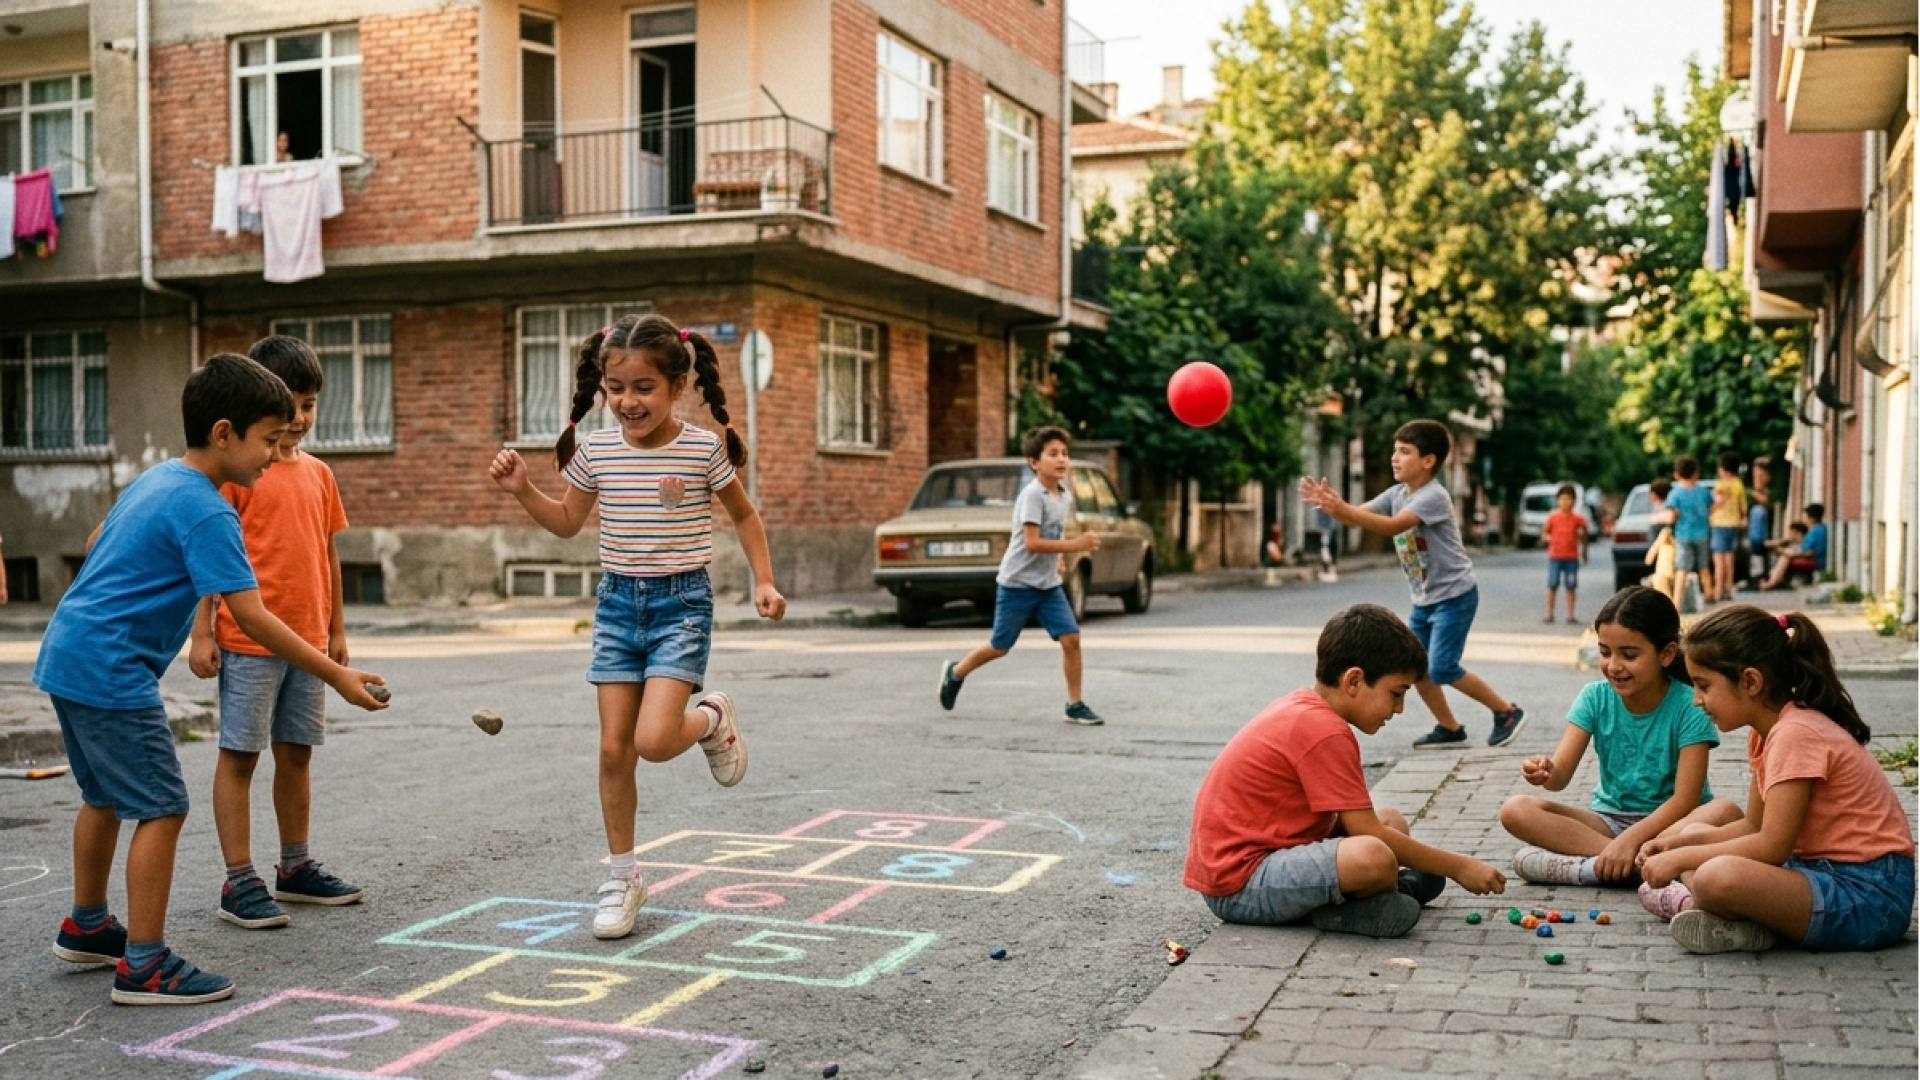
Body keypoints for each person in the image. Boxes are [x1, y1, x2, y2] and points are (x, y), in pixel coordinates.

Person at [36, 354, 387, 1005]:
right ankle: (144, 965)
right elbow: (252, 616)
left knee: (105, 796)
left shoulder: (160, 480)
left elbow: (98, 537)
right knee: (162, 805)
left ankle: (88, 926)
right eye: (268, 440)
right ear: (224, 433)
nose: (275, 453)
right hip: (112, 669)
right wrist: (337, 673)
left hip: (69, 655)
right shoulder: (210, 510)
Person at [489, 314, 785, 942]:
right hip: (618, 605)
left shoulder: (703, 448)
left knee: (654, 741)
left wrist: (763, 580)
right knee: (612, 748)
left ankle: (711, 718)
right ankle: (623, 876)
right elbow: (568, 522)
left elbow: (746, 516)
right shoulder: (596, 450)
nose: (628, 401)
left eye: (644, 387)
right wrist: (522, 490)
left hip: (681, 604)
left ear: (677, 385)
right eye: (616, 387)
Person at [1183, 604, 1507, 938]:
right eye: (1396, 694)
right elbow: (1371, 836)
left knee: (1392, 820)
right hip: (1239, 886)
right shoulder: (1323, 729)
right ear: (1353, 680)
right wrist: (1460, 867)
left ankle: (1385, 892)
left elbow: (1372, 826)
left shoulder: (1309, 709)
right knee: (1375, 856)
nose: (1399, 709)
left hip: (1271, 858)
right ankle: (1341, 909)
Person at [187, 337, 360, 932]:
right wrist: (202, 632)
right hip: (248, 641)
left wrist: (336, 634)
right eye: (292, 404)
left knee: (296, 755)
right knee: (240, 756)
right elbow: (210, 560)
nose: (301, 418)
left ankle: (295, 866)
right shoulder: (239, 474)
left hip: (308, 644)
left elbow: (329, 554)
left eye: (310, 404)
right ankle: (239, 879)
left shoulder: (319, 474)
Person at [1634, 606, 1915, 954]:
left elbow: (1772, 846)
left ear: (1751, 682)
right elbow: (1753, 826)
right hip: (1816, 872)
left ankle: (1699, 907)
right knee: (1690, 837)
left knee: (1713, 876)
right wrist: (1676, 847)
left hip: (1870, 895)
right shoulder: (1767, 733)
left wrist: (1679, 861)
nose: (1696, 700)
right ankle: (1747, 922)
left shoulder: (1795, 734)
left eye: (1704, 686)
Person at [1299, 420, 1526, 748]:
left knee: (1443, 667)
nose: (1395, 457)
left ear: (1428, 461)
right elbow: (1360, 516)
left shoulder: (1432, 496)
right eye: (1395, 450)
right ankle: (1449, 727)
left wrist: (1343, 509)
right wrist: (1334, 508)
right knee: (1415, 666)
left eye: (1404, 452)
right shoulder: (1397, 494)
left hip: (1455, 596)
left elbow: (1392, 526)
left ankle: (1506, 711)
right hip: (1424, 599)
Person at [1500, 587, 1739, 885]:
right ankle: (1639, 866)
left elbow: (1685, 799)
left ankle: (1597, 867)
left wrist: (1631, 841)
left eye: (1629, 654)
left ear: (1666, 654)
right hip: (1607, 822)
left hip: (1673, 825)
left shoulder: (1690, 704)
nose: (1614, 666)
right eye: (1604, 652)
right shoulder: (1594, 698)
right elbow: (1559, 779)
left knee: (1726, 811)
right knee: (1516, 810)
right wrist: (1544, 771)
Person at [939, 426, 1104, 725]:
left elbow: (1054, 533)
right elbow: (1032, 542)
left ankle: (1074, 704)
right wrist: (1075, 545)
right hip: (1017, 584)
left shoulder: (1063, 495)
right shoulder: (1031, 496)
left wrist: (1061, 558)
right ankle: (955, 672)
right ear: (1034, 462)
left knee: (1071, 638)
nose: (1061, 459)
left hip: (1048, 586)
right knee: (1000, 646)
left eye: (1065, 454)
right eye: (1052, 454)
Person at [1665, 455, 1714, 610]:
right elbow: (1710, 509)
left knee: (1682, 568)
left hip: (1683, 535)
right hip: (1702, 534)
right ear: (1696, 473)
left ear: (1677, 474)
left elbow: (1672, 516)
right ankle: (1709, 594)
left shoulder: (1675, 494)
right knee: (1703, 566)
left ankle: (1676, 602)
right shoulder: (1704, 492)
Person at [1542, 484, 1587, 623]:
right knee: (1552, 585)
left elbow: (1585, 535)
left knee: (1571, 586)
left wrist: (1584, 551)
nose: (1565, 502)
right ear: (1557, 500)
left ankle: (1570, 614)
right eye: (1562, 499)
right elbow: (1544, 534)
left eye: (1568, 499)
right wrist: (1549, 538)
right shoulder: (1552, 517)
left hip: (1571, 558)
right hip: (1555, 556)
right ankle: (1549, 613)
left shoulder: (1578, 519)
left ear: (1574, 501)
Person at [1708, 452, 1748, 603]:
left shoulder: (1719, 485)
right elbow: (1742, 505)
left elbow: (1715, 504)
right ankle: (1728, 589)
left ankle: (1718, 591)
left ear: (1723, 469)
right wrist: (1744, 517)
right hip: (1733, 523)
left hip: (1718, 524)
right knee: (1729, 558)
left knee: (1718, 559)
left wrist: (1710, 509)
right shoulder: (1738, 484)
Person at [1759, 504, 1828, 591]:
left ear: (1812, 518)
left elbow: (1806, 549)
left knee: (1785, 557)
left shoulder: (1815, 531)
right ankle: (1774, 580)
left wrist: (1784, 551)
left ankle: (1772, 582)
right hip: (1814, 557)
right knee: (1786, 554)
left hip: (1815, 560)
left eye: (1806, 517)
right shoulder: (1820, 529)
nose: (1805, 520)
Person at [1644, 479, 1677, 598]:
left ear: (1654, 494)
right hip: (1663, 546)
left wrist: (1653, 519)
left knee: (1663, 574)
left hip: (1662, 548)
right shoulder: (1663, 506)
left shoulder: (1663, 507)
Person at [1745, 456, 1772, 584]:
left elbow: (1766, 502)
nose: (1757, 478)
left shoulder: (1764, 492)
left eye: (1760, 475)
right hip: (1754, 524)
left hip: (1760, 524)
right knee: (1755, 550)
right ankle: (1756, 576)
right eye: (1755, 475)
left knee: (1760, 548)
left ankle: (1760, 577)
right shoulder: (1754, 493)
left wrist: (1753, 494)